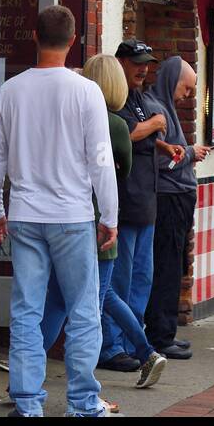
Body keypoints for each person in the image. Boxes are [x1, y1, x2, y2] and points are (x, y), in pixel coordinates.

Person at [0, 5, 118, 418]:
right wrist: (109, 215)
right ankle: (81, 402)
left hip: (24, 214)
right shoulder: (86, 92)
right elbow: (100, 159)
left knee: (26, 309)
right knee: (82, 309)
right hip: (73, 216)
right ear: (73, 41)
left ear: (35, 38)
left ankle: (27, 403)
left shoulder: (11, 90)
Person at [40, 52, 166, 390]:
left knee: (65, 299)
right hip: (103, 221)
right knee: (99, 297)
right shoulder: (117, 126)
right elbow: (121, 170)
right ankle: (146, 352)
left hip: (65, 219)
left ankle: (38, 368)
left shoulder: (69, 118)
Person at [99, 40, 184, 372]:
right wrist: (154, 125)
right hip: (123, 207)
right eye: (137, 62)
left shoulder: (138, 98)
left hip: (146, 205)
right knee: (117, 284)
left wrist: (161, 145)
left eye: (147, 63)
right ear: (120, 62)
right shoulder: (112, 101)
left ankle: (133, 344)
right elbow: (123, 133)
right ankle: (111, 347)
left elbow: (141, 135)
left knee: (140, 282)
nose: (143, 68)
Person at [144, 56, 211, 359]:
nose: (187, 95)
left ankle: (165, 331)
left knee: (172, 268)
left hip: (176, 200)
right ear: (172, 81)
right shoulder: (157, 111)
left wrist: (187, 155)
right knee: (167, 269)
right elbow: (162, 160)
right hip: (169, 201)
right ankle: (160, 336)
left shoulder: (164, 109)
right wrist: (189, 155)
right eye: (186, 88)